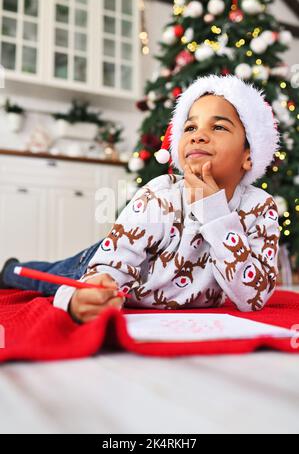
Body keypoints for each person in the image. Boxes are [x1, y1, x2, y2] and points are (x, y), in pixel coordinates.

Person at [0, 74, 281, 323]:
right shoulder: (161, 196)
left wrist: (215, 213)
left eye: (218, 127)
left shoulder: (260, 209)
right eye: (190, 128)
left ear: (249, 155)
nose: (199, 137)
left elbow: (252, 298)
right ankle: (9, 270)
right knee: (43, 277)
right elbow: (105, 270)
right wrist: (80, 296)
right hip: (109, 263)